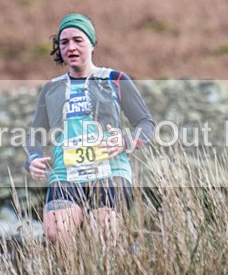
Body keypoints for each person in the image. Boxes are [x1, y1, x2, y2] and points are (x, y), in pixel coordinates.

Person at [25, 13, 155, 244]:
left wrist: (125, 141)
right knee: (56, 235)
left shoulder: (115, 79)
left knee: (102, 236)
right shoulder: (51, 89)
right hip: (65, 175)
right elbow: (36, 134)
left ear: (92, 45)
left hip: (109, 173)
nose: (71, 47)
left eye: (78, 40)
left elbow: (146, 124)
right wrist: (33, 157)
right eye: (64, 43)